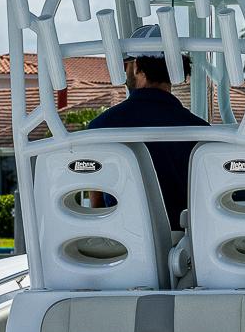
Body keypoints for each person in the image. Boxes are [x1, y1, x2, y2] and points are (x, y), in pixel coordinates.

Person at [85, 51, 207, 231]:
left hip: (120, 243)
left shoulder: (100, 127)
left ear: (137, 67)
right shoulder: (202, 131)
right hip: (185, 246)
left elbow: (97, 200)